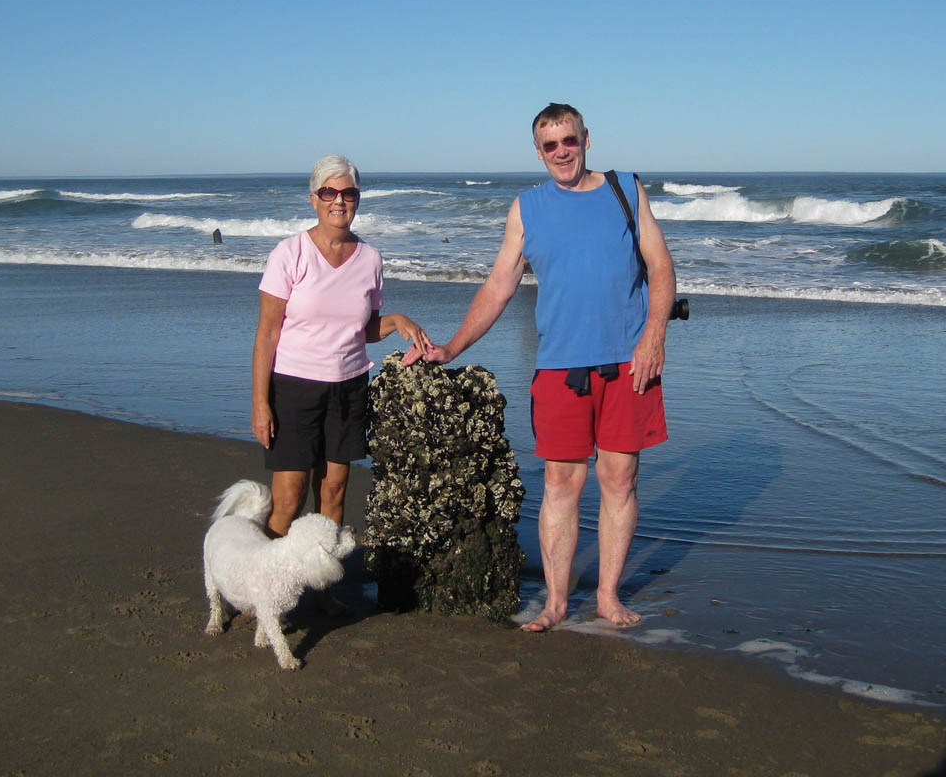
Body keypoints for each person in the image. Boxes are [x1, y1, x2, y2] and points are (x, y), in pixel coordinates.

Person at [403, 103, 675, 632]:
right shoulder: (527, 208)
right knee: (561, 484)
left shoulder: (626, 189)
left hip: (628, 360)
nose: (561, 153)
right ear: (538, 151)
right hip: (559, 368)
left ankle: (607, 596)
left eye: (568, 141)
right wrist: (452, 348)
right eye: (550, 146)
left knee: (619, 479)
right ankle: (555, 604)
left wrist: (654, 336)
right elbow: (499, 285)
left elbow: (661, 265)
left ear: (586, 138)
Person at [252, 155, 430, 549]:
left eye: (348, 192)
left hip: (349, 389)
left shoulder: (370, 259)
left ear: (358, 199)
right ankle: (264, 590)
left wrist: (398, 320)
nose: (339, 200)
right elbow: (267, 334)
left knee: (333, 493)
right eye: (329, 192)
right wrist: (260, 403)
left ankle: (322, 588)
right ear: (313, 199)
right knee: (289, 497)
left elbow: (362, 329)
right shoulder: (290, 253)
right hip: (294, 387)